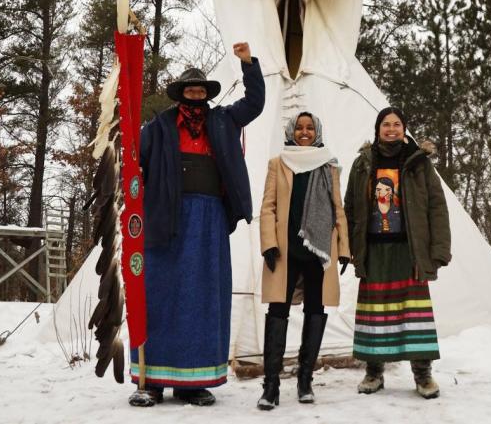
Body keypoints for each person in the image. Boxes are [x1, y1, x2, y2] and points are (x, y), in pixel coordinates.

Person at [129, 42, 265, 407]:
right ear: (180, 95)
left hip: (209, 220)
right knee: (160, 296)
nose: (196, 95)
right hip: (164, 219)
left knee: (204, 297)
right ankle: (151, 380)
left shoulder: (223, 120)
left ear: (207, 95)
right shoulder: (158, 127)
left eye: (201, 90)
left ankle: (194, 382)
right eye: (190, 90)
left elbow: (255, 104)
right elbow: (132, 160)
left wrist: (249, 64)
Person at [344, 107, 451, 399]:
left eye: (397, 124)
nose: (391, 129)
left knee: (414, 314)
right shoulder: (362, 164)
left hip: (410, 249)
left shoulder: (419, 163)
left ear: (404, 129)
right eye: (386, 125)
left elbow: (436, 206)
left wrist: (438, 251)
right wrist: (350, 248)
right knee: (373, 314)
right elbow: (351, 206)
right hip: (374, 250)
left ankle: (423, 375)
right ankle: (374, 373)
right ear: (378, 129)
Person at [257, 112, 350, 410]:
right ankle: (271, 385)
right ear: (291, 131)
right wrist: (269, 244)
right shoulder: (278, 163)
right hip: (286, 251)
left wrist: (344, 247)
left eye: (310, 128)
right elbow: (268, 207)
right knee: (278, 310)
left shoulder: (328, 165)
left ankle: (305, 379)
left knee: (315, 308)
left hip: (318, 251)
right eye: (300, 127)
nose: (305, 132)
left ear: (317, 131)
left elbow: (338, 209)